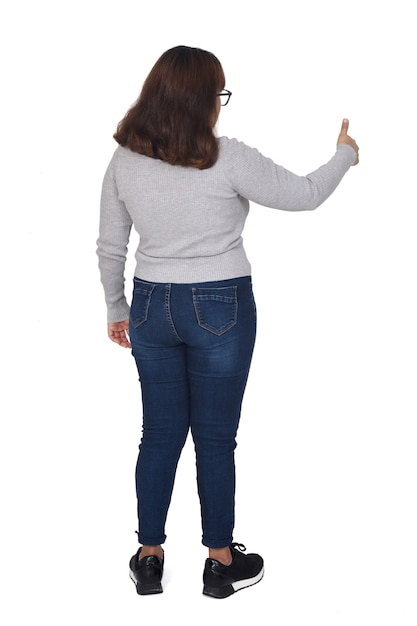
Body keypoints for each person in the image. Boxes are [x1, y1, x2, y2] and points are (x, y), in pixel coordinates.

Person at [96, 45, 359, 599]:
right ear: (200, 101)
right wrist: (344, 154)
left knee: (159, 434)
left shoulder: (124, 160)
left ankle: (149, 557)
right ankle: (219, 564)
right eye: (219, 94)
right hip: (220, 305)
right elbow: (306, 196)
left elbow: (111, 244)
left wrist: (117, 309)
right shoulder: (227, 157)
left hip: (150, 306)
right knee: (215, 439)